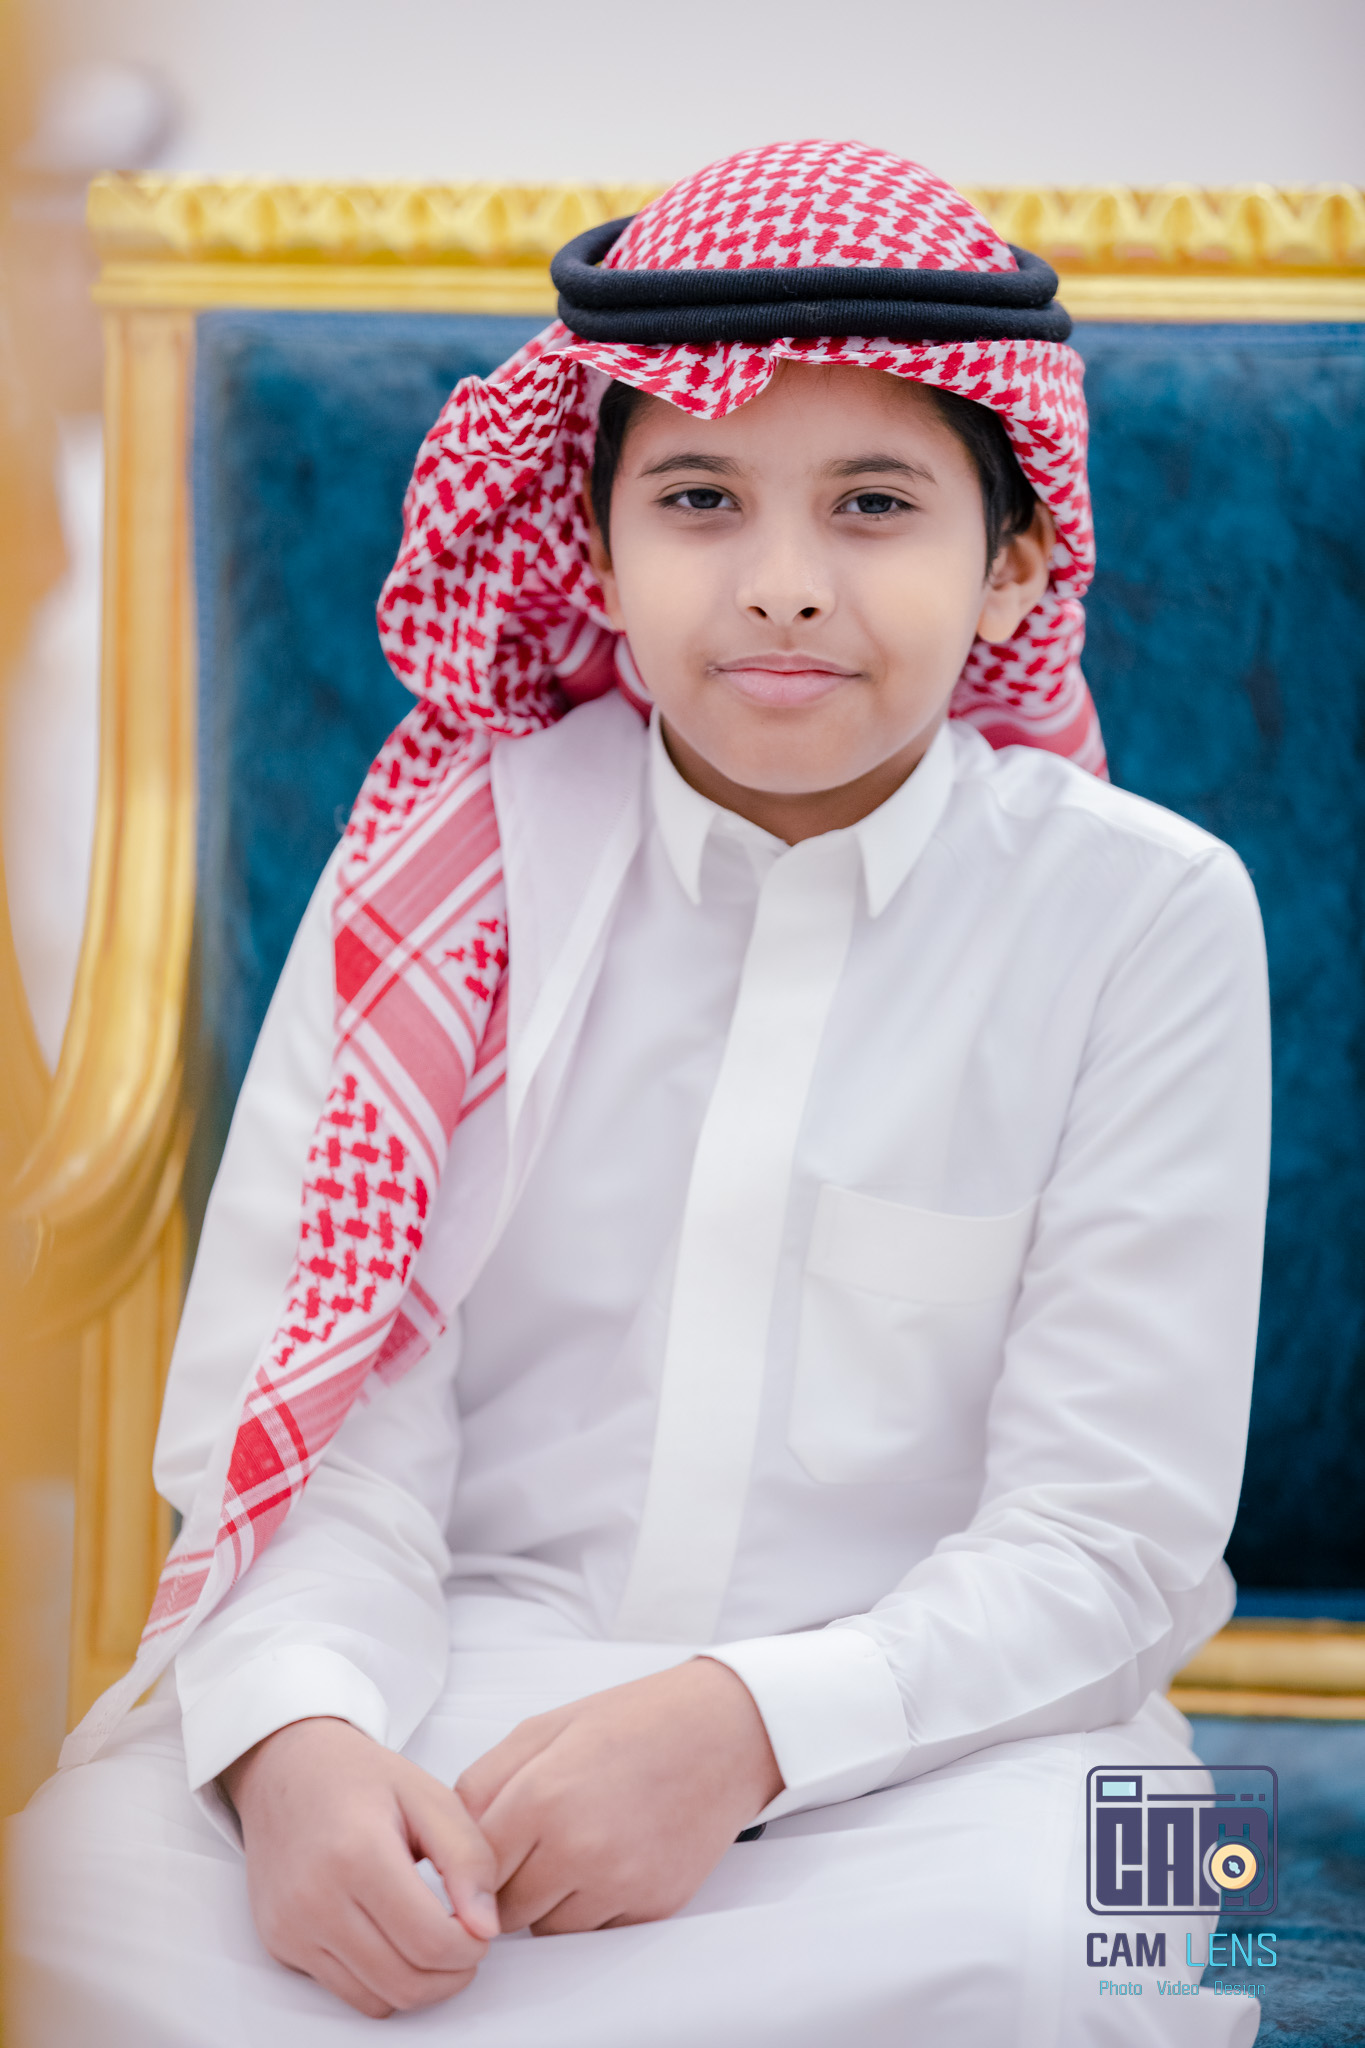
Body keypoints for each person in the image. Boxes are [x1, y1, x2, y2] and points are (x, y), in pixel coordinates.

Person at [8, 141, 1269, 2046]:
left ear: (1012, 561)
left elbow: (1113, 1544)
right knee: (58, 1917)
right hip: (444, 1700)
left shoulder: (1148, 911)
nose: (783, 587)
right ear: (592, 551)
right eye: (698, 500)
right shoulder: (440, 876)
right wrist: (298, 1744)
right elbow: (322, 1435)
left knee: (1115, 1948)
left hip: (972, 1740)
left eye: (872, 505)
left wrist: (745, 1726)